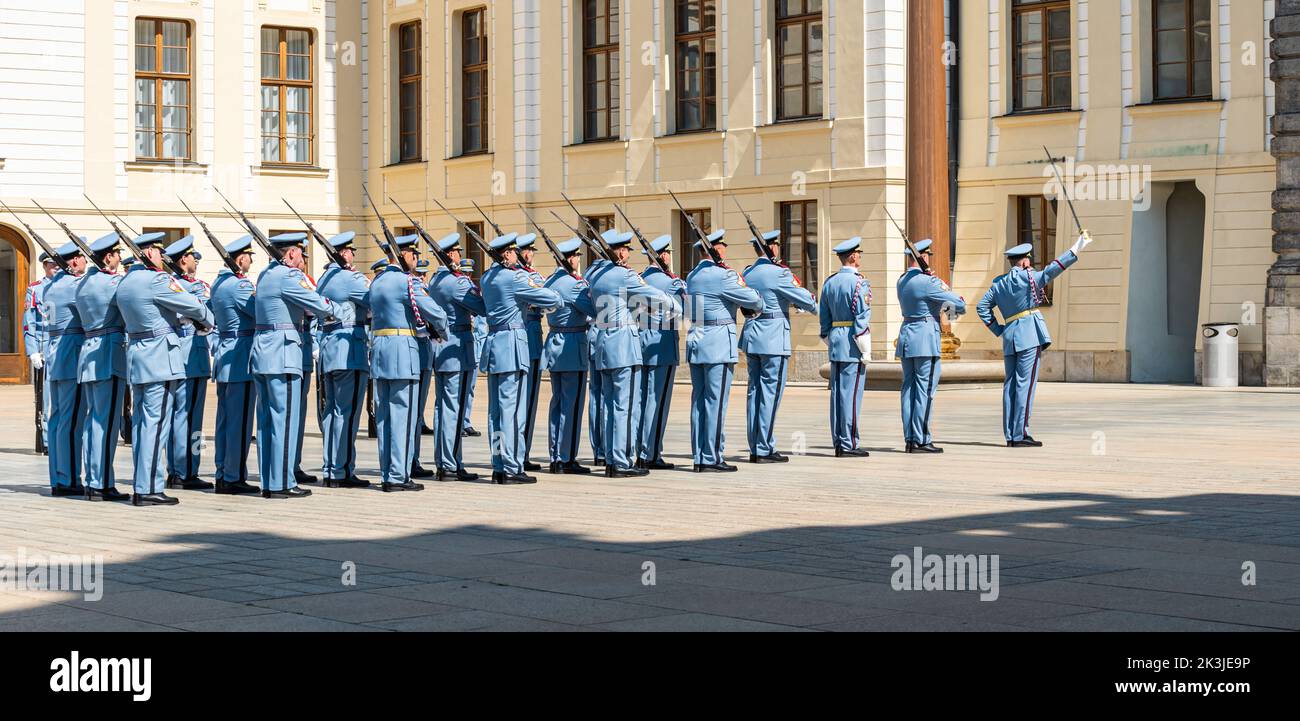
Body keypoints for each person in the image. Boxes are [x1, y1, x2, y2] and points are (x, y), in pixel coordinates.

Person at [111, 232, 213, 506]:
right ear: (149, 254)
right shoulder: (157, 280)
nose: (162, 256)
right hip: (161, 358)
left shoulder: (126, 282)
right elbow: (194, 306)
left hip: (139, 357)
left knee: (145, 426)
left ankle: (143, 483)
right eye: (158, 251)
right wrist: (206, 320)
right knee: (157, 426)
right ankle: (149, 488)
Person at [977, 234, 1091, 447]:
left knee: (1010, 385)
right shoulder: (1028, 278)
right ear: (1025, 260)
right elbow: (1053, 270)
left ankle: (1010, 434)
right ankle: (1020, 434)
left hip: (1010, 336)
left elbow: (981, 307)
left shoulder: (998, 284)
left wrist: (998, 329)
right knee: (1025, 385)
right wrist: (1076, 248)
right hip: (1029, 335)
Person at [251, 233, 338, 499]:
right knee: (285, 421)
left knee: (267, 423)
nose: (303, 259)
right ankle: (283, 482)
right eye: (301, 253)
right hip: (284, 354)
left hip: (263, 353)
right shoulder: (288, 277)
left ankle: (269, 481)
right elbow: (318, 304)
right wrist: (335, 309)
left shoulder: (265, 275)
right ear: (290, 254)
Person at [366, 235, 448, 492]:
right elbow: (434, 311)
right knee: (404, 415)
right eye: (413, 254)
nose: (415, 259)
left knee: (385, 418)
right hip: (403, 353)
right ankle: (399, 475)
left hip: (380, 352)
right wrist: (441, 329)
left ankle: (387, 472)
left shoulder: (377, 281)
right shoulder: (407, 282)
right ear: (403, 255)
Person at [480, 233, 561, 484]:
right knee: (513, 412)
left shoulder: (486, 278)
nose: (517, 255)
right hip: (512, 348)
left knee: (495, 413)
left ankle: (498, 463)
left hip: (494, 346)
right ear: (506, 254)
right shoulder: (514, 278)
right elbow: (552, 298)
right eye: (514, 251)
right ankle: (513, 466)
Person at [685, 230, 761, 473]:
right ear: (716, 250)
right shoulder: (724, 276)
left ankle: (699, 455)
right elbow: (755, 301)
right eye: (723, 246)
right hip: (718, 344)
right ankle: (712, 456)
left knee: (698, 401)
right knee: (715, 403)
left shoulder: (692, 276)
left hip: (697, 341)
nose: (725, 249)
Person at [739, 230, 818, 463]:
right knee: (770, 395)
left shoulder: (748, 272)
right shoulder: (779, 273)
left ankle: (755, 445)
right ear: (771, 248)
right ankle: (764, 447)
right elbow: (807, 301)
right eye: (776, 245)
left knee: (754, 392)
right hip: (773, 340)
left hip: (752, 337)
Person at [896, 239, 967, 453]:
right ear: (924, 257)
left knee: (908, 389)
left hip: (907, 337)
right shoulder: (928, 282)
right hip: (926, 339)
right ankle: (922, 439)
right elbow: (959, 304)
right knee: (926, 391)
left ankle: (910, 437)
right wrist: (941, 285)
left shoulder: (902, 280)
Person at [425, 233, 486, 482]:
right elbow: (481, 308)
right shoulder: (457, 282)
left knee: (444, 407)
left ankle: (445, 460)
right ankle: (451, 463)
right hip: (457, 349)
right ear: (450, 254)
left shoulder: (437, 279)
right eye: (458, 252)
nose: (460, 256)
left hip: (442, 349)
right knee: (455, 409)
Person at [75, 234, 130, 501]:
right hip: (109, 356)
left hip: (89, 354)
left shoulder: (84, 284)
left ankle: (93, 479)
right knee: (107, 423)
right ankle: (102, 483)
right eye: (118, 254)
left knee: (93, 422)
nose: (120, 259)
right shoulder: (113, 283)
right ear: (108, 256)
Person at [316, 231, 373, 488]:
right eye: (351, 251)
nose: (353, 255)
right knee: (347, 414)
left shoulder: (323, 279)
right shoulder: (351, 279)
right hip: (350, 351)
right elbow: (377, 301)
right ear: (342, 253)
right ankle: (342, 471)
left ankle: (330, 468)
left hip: (329, 351)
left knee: (332, 412)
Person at [210, 236, 261, 495]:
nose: (251, 261)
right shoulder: (240, 286)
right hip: (240, 359)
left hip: (226, 356)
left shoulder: (219, 283)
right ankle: (233, 476)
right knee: (239, 422)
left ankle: (223, 472)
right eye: (250, 256)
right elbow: (259, 311)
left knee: (225, 420)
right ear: (241, 258)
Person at [163, 237, 214, 491]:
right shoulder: (172, 285)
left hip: (199, 355)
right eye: (193, 257)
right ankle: (179, 470)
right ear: (184, 259)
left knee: (196, 420)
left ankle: (192, 468)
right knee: (180, 416)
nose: (196, 261)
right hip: (183, 355)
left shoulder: (201, 285)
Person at [542, 238, 596, 475]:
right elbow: (594, 310)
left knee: (558, 403)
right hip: (572, 345)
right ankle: (566, 458)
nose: (577, 260)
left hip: (555, 342)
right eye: (574, 256)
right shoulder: (573, 285)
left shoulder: (550, 281)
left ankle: (556, 454)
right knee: (571, 405)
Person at [818, 237, 873, 458]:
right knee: (850, 396)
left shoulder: (830, 282)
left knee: (837, 396)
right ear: (852, 256)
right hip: (852, 341)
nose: (859, 256)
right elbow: (862, 317)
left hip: (836, 340)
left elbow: (824, 317)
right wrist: (865, 347)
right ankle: (849, 443)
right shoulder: (860, 283)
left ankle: (838, 441)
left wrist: (830, 338)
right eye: (858, 253)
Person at [43, 241, 89, 496]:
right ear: (73, 261)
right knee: (72, 422)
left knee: (58, 418)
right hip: (71, 355)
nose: (84, 263)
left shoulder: (51, 287)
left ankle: (58, 476)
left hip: (56, 355)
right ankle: (70, 479)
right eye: (82, 257)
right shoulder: (74, 286)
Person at [637, 235, 685, 470]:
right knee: (658, 401)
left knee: (642, 400)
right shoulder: (671, 283)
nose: (668, 256)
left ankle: (639, 449)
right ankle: (651, 453)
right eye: (666, 253)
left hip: (641, 343)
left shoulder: (639, 278)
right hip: (662, 344)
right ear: (661, 255)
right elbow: (685, 310)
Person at [516, 234, 547, 472]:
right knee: (524, 402)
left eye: (530, 251)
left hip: (525, 339)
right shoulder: (527, 277)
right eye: (527, 251)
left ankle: (518, 452)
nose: (530, 255)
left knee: (521, 403)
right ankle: (520, 453)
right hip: (528, 340)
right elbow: (546, 299)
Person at [24, 252, 57, 453]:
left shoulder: (66, 286)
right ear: (45, 266)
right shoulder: (36, 289)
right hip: (44, 347)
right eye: (52, 265)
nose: (56, 269)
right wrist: (32, 350)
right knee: (45, 398)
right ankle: (45, 439)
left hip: (61, 346)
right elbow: (29, 321)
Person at [410, 258, 437, 478]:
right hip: (415, 356)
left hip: (420, 355)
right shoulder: (415, 290)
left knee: (413, 413)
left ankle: (410, 459)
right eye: (419, 273)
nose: (421, 278)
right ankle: (410, 460)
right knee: (413, 413)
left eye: (423, 274)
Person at [462, 258, 485, 438]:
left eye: (470, 273)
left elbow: (481, 324)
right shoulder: (460, 292)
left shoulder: (474, 293)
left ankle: (466, 420)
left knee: (470, 388)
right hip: (462, 347)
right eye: (465, 272)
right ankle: (458, 421)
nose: (468, 276)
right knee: (459, 388)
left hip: (474, 347)